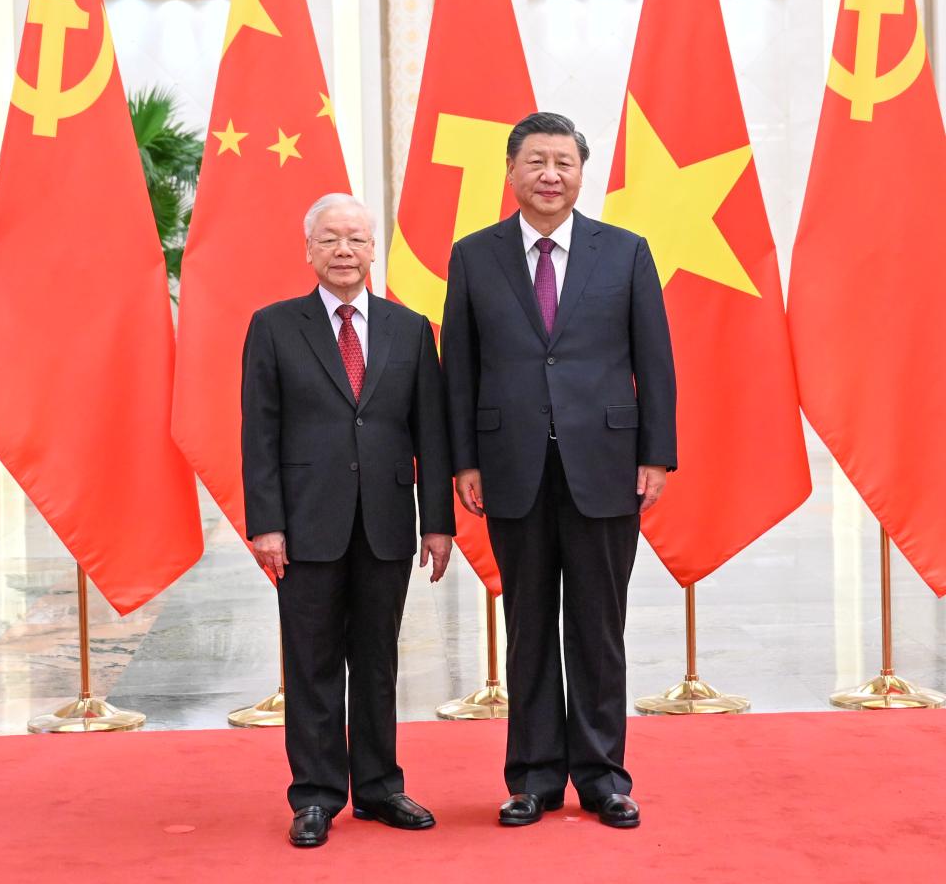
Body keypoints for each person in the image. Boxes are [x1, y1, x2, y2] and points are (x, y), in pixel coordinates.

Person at [441, 112, 676, 829]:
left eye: (563, 162)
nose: (550, 175)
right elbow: (460, 367)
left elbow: (654, 360)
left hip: (606, 466)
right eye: (536, 161)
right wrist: (464, 459)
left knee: (599, 626)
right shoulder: (474, 256)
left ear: (580, 173)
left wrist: (655, 453)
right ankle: (534, 777)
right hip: (511, 466)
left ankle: (604, 776)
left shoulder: (625, 252)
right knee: (530, 625)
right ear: (511, 171)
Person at [241, 193, 455, 848]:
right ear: (308, 250)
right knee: (311, 663)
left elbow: (431, 432)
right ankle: (315, 795)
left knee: (377, 661)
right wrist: (266, 523)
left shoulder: (409, 328)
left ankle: (380, 787)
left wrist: (437, 522)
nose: (343, 251)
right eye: (330, 239)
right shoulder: (275, 326)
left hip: (386, 521)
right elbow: (259, 433)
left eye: (356, 239)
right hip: (306, 524)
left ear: (372, 250)